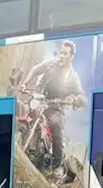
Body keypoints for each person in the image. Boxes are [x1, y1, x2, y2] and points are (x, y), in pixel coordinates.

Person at [17, 39, 87, 168]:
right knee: (24, 109)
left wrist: (76, 100)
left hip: (55, 107)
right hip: (39, 98)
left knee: (56, 124)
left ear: (71, 57)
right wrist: (25, 84)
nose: (62, 55)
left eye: (65, 54)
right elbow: (35, 70)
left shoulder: (72, 77)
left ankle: (55, 161)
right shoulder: (52, 64)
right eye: (61, 52)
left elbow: (82, 96)